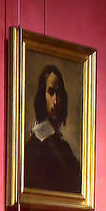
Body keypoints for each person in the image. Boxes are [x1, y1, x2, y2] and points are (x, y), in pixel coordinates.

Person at [22, 64, 82, 194]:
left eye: (59, 93)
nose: (56, 101)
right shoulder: (34, 147)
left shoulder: (64, 146)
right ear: (42, 96)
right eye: (51, 92)